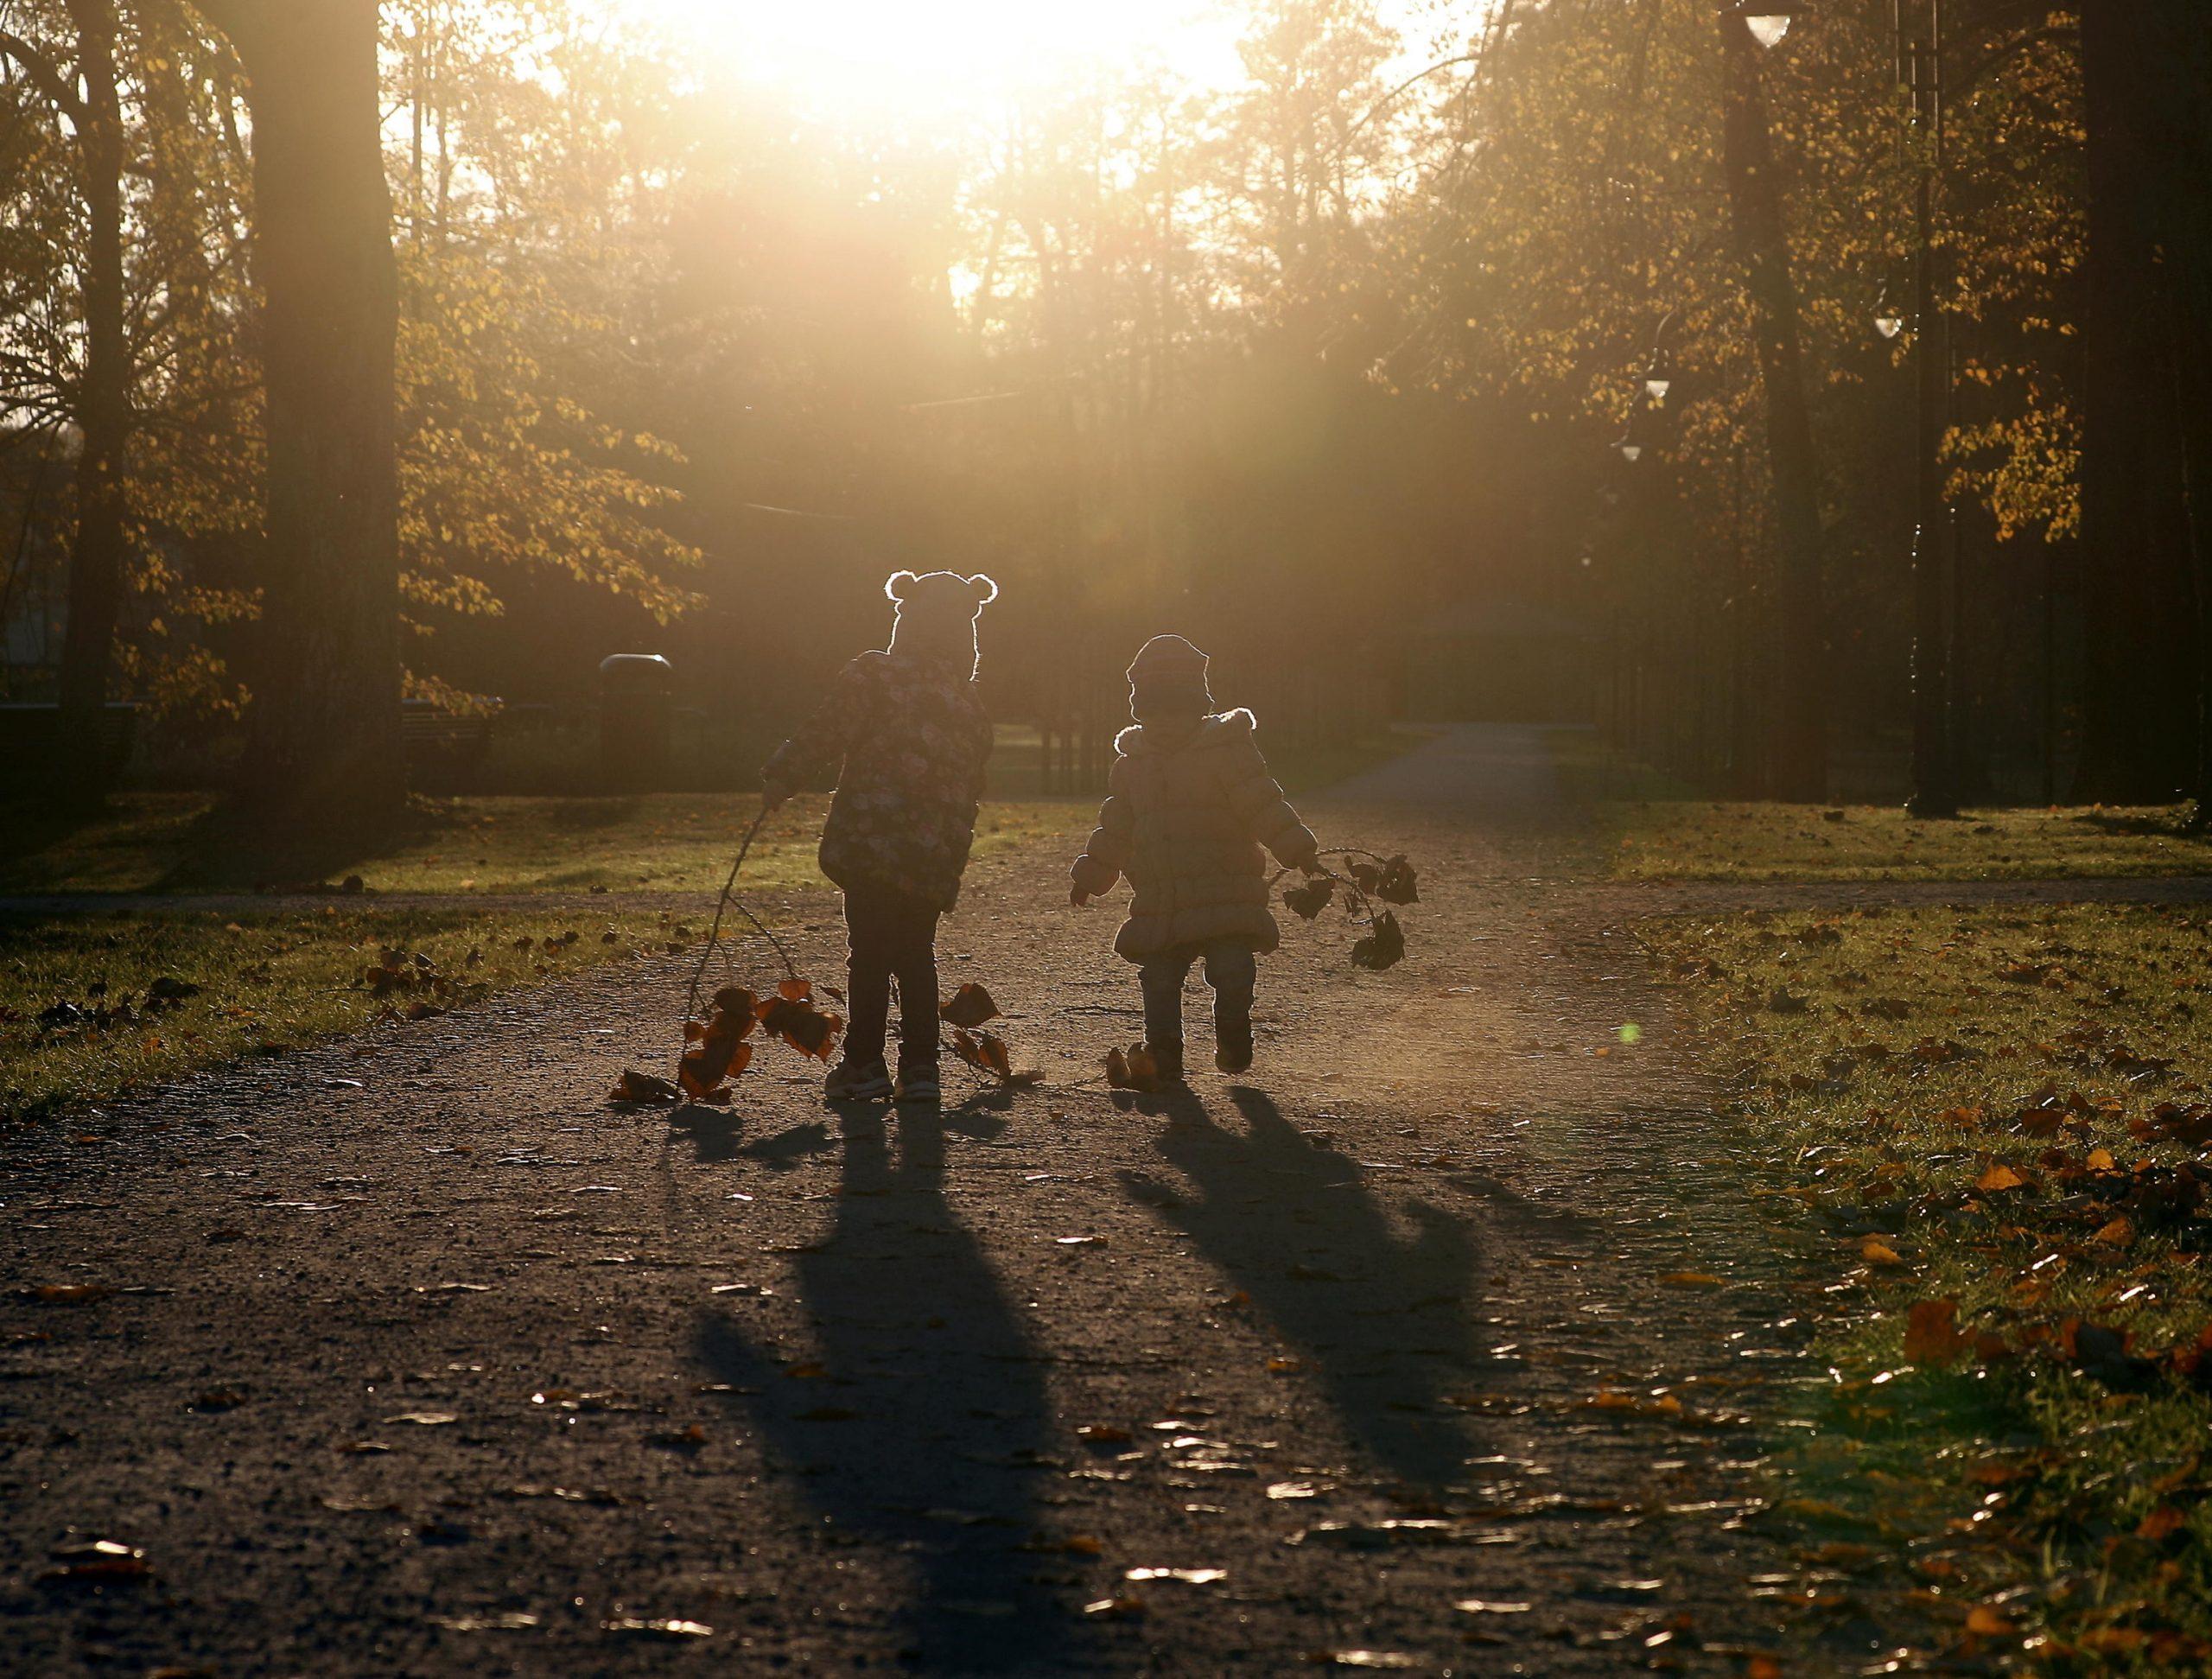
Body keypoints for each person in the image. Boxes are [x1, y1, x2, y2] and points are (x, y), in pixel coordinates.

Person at [761, 570, 998, 1104]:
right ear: (967, 637)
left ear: (904, 620)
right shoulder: (966, 702)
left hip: (871, 838)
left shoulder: (874, 676)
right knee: (916, 951)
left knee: (868, 952)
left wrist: (783, 775)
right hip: (933, 849)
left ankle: (864, 1063)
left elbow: (828, 729)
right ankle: (921, 1069)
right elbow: (975, 775)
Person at [1069, 634, 1319, 1082]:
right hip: (1163, 899)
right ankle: (1164, 1056)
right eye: (1152, 713)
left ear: (1198, 709)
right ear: (1139, 713)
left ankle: (1233, 1032)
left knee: (1232, 969)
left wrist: (1299, 850)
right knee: (1160, 979)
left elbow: (1263, 806)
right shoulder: (1133, 765)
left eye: (1176, 711)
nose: (1164, 723)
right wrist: (1091, 874)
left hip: (1226, 891)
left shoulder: (1227, 752)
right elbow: (1116, 827)